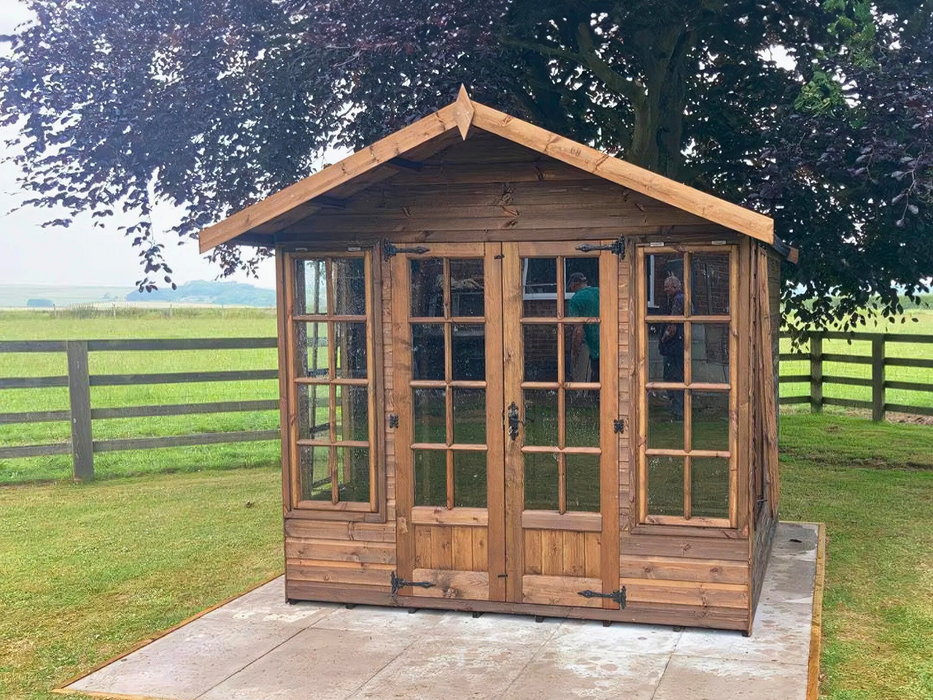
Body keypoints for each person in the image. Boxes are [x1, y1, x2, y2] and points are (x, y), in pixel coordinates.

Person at [659, 274, 684, 419]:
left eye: (667, 287)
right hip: (679, 346)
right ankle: (678, 408)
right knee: (677, 376)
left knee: (672, 377)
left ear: (674, 287)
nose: (664, 290)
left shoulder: (677, 301)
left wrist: (663, 339)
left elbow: (672, 325)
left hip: (673, 347)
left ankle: (678, 410)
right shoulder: (679, 299)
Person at [567, 272, 599, 383]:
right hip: (613, 346)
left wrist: (574, 353)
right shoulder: (601, 291)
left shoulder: (575, 300)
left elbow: (578, 331)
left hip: (596, 349)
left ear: (573, 285)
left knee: (598, 385)